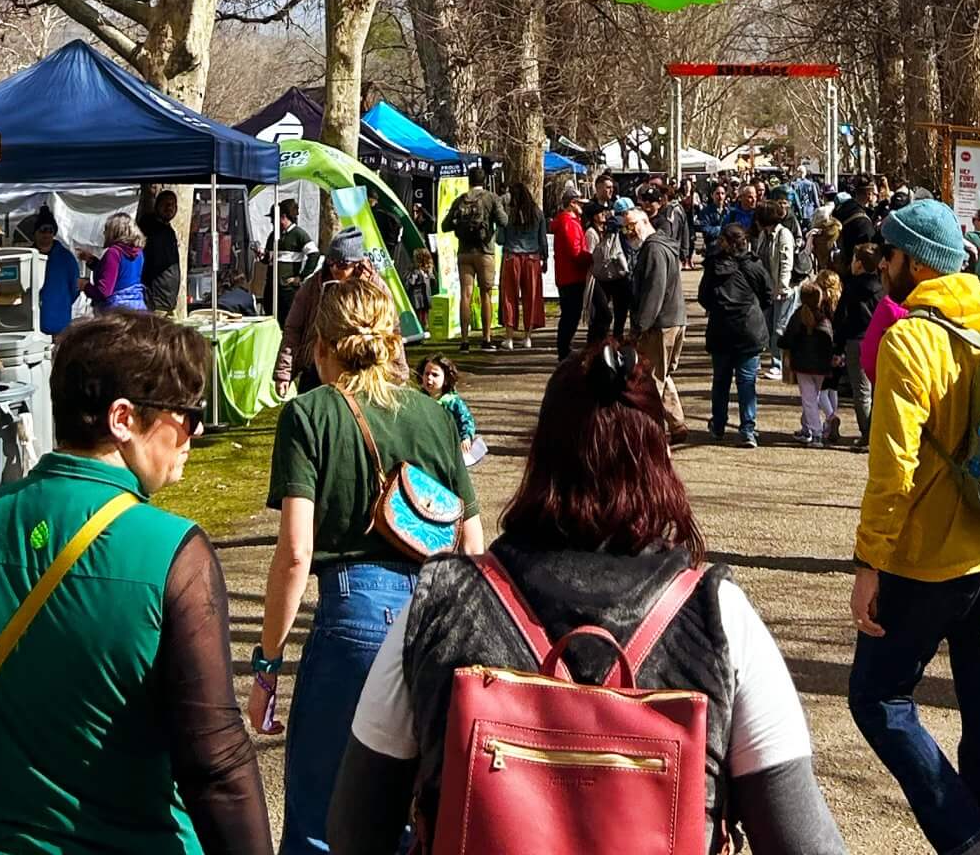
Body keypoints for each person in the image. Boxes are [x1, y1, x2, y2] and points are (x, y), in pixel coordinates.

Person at [323, 348, 847, 853]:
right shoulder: (718, 616)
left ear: (540, 455)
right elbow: (799, 837)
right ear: (660, 462)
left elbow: (355, 827)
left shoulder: (440, 602)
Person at [0, 312, 271, 855]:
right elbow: (215, 764)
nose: (196, 431)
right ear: (123, 418)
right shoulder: (173, 552)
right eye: (186, 414)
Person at [251, 269, 483, 855]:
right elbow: (474, 544)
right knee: (417, 817)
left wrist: (267, 665)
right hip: (434, 619)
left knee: (319, 818)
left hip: (352, 614)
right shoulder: (435, 415)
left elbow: (296, 552)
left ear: (322, 347)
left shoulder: (309, 415)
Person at [848, 199, 980, 855]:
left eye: (890, 256)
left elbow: (891, 465)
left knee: (877, 698)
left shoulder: (910, 339)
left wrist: (868, 561)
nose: (883, 268)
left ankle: (968, 839)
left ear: (916, 262)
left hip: (927, 563)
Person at [273, 230, 375, 398]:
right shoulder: (312, 286)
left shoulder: (374, 287)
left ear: (357, 263)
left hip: (359, 367)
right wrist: (284, 372)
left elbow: (391, 330)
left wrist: (398, 375)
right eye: (331, 262)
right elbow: (293, 330)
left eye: (342, 264)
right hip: (316, 367)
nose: (334, 268)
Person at [700, 220, 774, 447]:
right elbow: (768, 294)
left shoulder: (714, 266)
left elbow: (704, 297)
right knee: (747, 381)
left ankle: (719, 424)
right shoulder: (754, 266)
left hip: (722, 328)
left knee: (721, 380)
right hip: (748, 329)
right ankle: (748, 428)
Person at [625, 198, 689, 431]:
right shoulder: (661, 246)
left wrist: (639, 327)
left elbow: (655, 291)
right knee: (660, 374)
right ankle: (677, 422)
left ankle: (655, 433)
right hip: (673, 320)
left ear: (645, 221)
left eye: (632, 225)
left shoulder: (653, 249)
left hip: (660, 324)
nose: (628, 232)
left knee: (651, 381)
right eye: (625, 227)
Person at [441, 176, 508, 352]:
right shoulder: (491, 198)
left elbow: (445, 225)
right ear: (484, 181)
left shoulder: (460, 200)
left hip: (464, 252)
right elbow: (503, 221)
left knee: (465, 295)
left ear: (469, 181)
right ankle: (486, 339)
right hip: (485, 252)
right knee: (486, 294)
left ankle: (464, 341)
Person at [834, 240, 885, 448]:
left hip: (856, 339)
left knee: (861, 391)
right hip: (879, 339)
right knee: (877, 389)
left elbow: (841, 318)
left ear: (860, 264)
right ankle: (876, 430)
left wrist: (837, 346)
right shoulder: (882, 288)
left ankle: (867, 433)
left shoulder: (851, 287)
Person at [783, 279, 840, 446]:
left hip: (802, 364)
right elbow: (829, 341)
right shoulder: (824, 320)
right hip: (821, 366)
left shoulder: (798, 317)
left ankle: (816, 432)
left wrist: (783, 345)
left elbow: (788, 338)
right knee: (814, 397)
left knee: (809, 399)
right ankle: (808, 427)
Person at [496, 178, 546, 350]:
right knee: (531, 297)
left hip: (512, 257)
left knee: (509, 297)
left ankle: (509, 337)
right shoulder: (537, 213)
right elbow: (543, 240)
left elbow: (500, 239)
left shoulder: (507, 214)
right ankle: (527, 336)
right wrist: (544, 258)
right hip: (532, 258)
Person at [550, 182, 592, 359]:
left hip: (568, 275)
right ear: (572, 203)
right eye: (580, 203)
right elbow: (576, 252)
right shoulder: (569, 223)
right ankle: (564, 350)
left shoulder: (568, 222)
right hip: (572, 276)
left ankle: (565, 348)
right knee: (570, 315)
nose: (582, 206)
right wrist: (592, 258)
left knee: (570, 314)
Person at [757, 200, 797, 379]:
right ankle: (766, 359)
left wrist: (782, 286)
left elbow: (786, 262)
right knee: (766, 324)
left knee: (779, 328)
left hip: (782, 290)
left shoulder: (783, 234)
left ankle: (778, 364)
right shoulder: (763, 235)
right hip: (767, 288)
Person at [30, 206, 83, 336]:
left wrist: (60, 303)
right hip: (31, 325)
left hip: (59, 324)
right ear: (35, 233)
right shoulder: (28, 256)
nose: (46, 235)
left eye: (50, 231)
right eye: (42, 230)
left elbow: (75, 287)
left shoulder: (66, 258)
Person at [586, 200, 632, 347]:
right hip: (607, 275)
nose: (604, 215)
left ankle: (611, 339)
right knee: (608, 312)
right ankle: (604, 340)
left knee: (616, 310)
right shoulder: (592, 232)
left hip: (613, 275)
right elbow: (592, 255)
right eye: (600, 213)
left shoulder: (609, 228)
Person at [416, 352, 478, 458]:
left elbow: (466, 420)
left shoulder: (453, 402)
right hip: (424, 448)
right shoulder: (417, 399)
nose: (429, 378)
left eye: (435, 375)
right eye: (426, 374)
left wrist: (466, 437)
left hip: (448, 449)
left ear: (446, 379)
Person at [88, 212, 147, 313]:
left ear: (114, 231)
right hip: (137, 308)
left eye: (106, 229)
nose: (104, 233)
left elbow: (103, 292)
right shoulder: (139, 253)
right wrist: (93, 262)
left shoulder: (113, 253)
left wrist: (84, 286)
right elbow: (121, 275)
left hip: (117, 312)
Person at [140, 188, 183, 315]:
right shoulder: (148, 228)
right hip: (154, 301)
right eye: (166, 204)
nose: (170, 208)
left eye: (173, 205)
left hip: (169, 301)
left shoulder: (168, 230)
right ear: (157, 205)